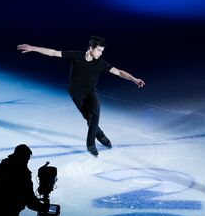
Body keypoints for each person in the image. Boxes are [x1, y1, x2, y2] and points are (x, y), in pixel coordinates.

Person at [17, 36, 145, 157]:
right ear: (91, 48)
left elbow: (118, 72)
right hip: (76, 93)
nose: (101, 53)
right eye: (99, 50)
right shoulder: (76, 55)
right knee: (89, 118)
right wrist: (33, 48)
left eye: (102, 51)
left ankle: (90, 144)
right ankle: (99, 134)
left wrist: (134, 79)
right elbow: (53, 53)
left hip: (91, 92)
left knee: (95, 114)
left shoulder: (100, 63)